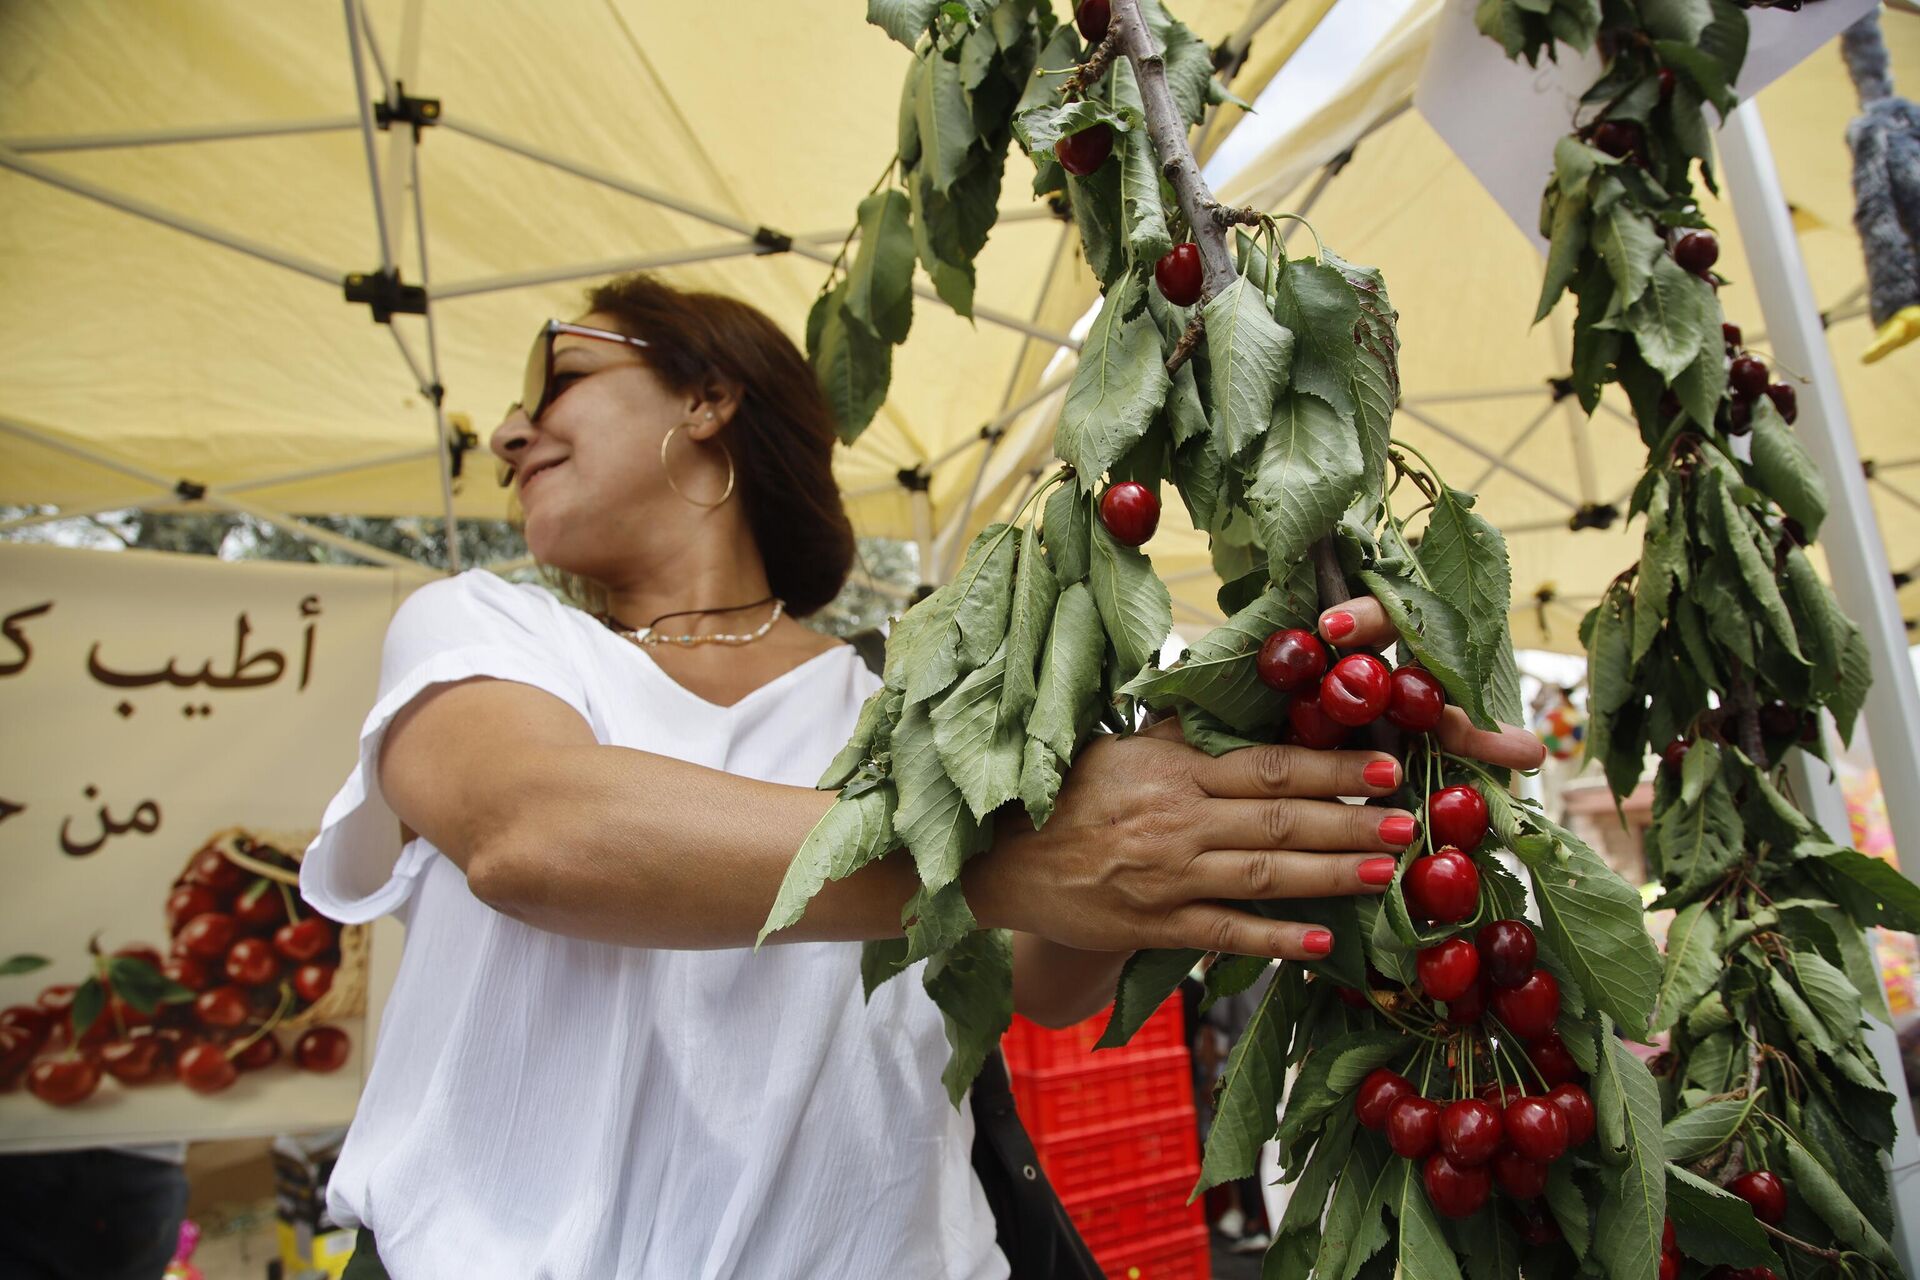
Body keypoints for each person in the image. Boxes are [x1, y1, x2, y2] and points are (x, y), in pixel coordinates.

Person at [302, 272, 1544, 1280]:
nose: (512, 430)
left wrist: (1211, 763)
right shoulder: (482, 632)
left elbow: (1041, 983)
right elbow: (536, 834)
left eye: (563, 376)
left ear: (709, 397)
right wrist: (1018, 855)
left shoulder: (911, 704)